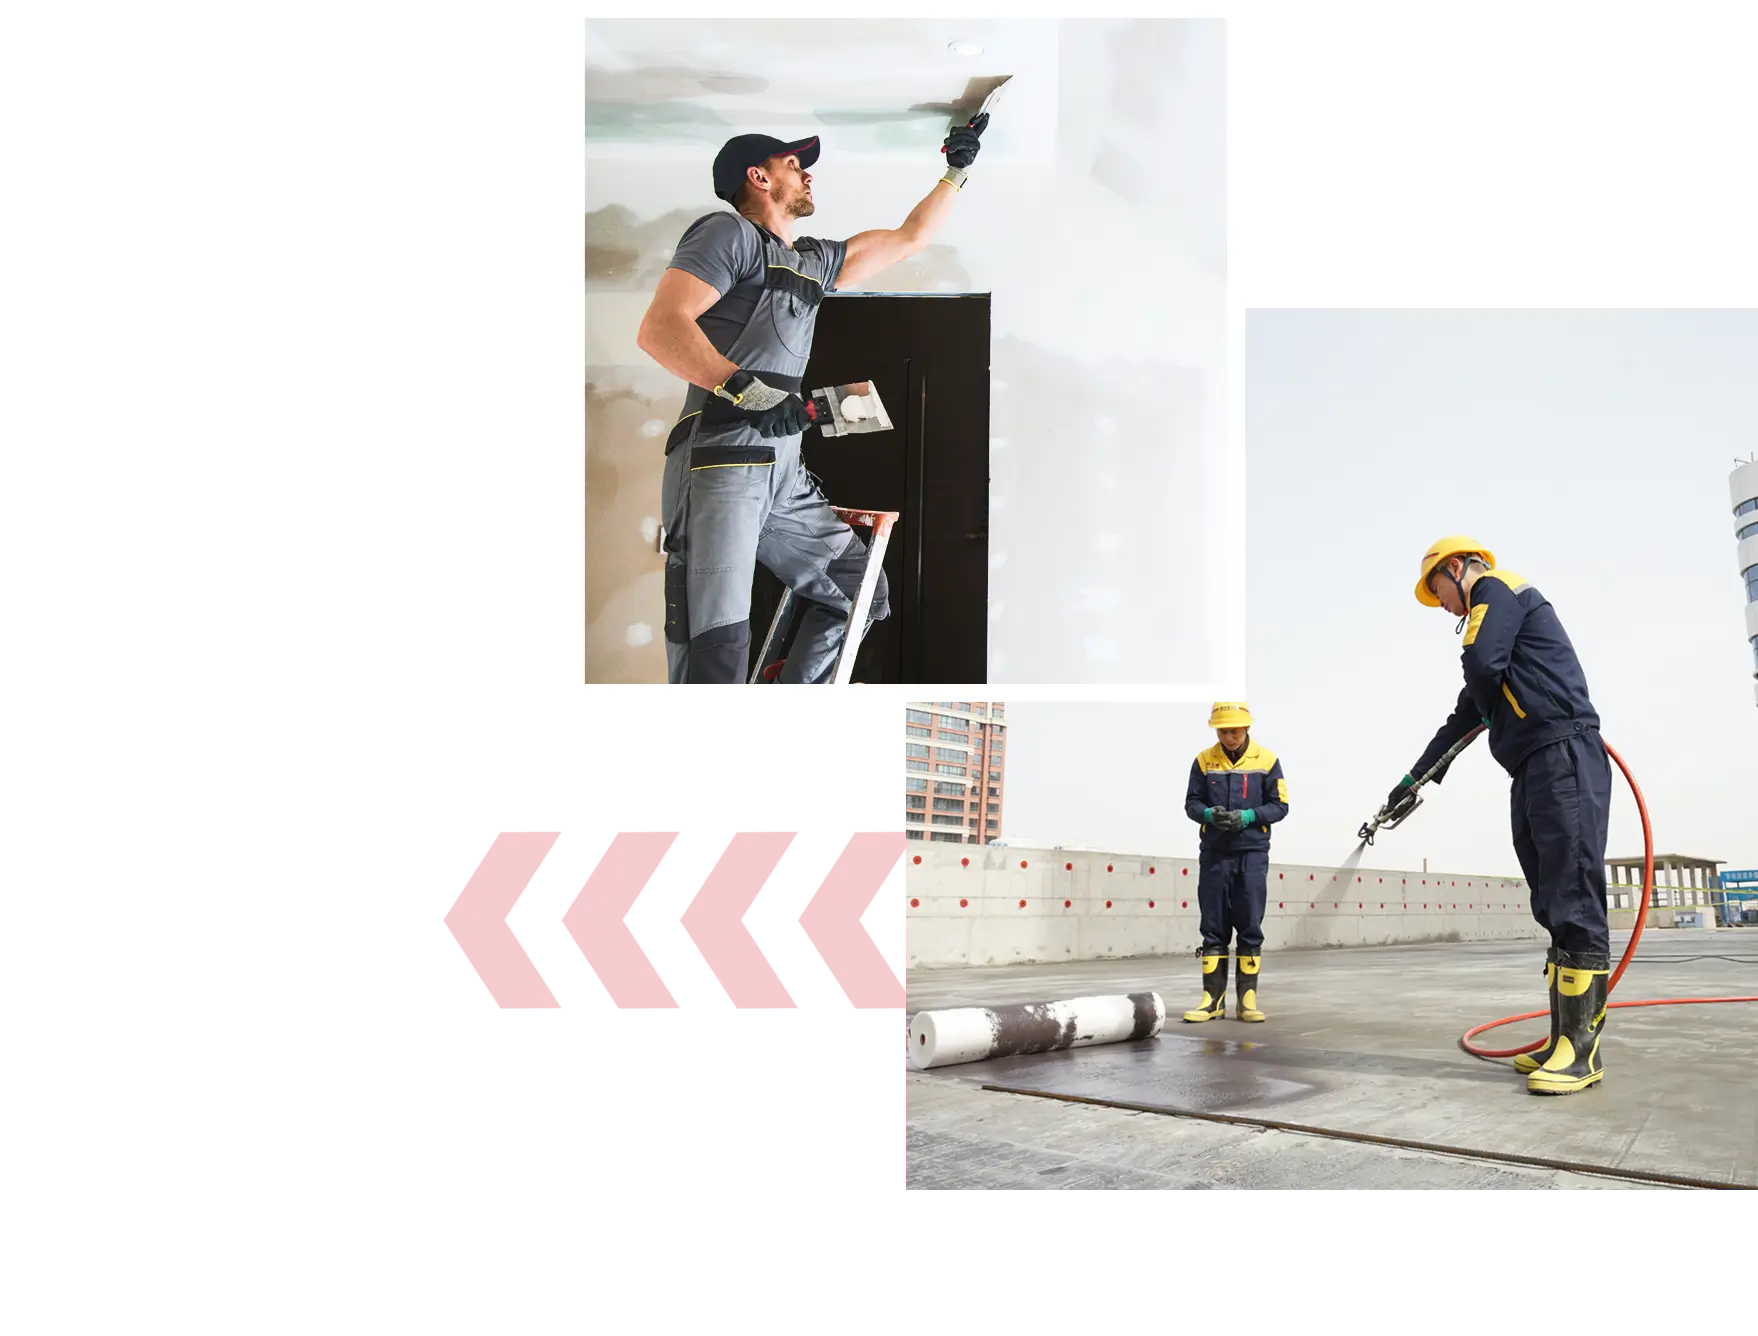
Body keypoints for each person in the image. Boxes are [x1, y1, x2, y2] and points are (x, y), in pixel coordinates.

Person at [634, 115, 988, 682]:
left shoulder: (811, 261)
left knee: (859, 591)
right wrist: (749, 393)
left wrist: (956, 170)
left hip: (782, 472)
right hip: (723, 459)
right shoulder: (728, 236)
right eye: (795, 166)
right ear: (759, 177)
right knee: (715, 642)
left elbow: (909, 238)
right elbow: (661, 329)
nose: (808, 177)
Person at [1390, 536, 1612, 1095]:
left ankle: (1583, 1052)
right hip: (1533, 766)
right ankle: (1563, 1035)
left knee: (1572, 894)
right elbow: (1463, 719)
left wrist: (1473, 637)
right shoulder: (1495, 643)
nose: (1440, 603)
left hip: (1564, 752)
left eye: (1437, 588)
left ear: (1457, 568)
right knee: (1551, 900)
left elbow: (1482, 662)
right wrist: (1414, 780)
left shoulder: (1496, 589)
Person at [1182, 703, 1289, 1023]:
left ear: (1247, 728)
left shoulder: (1267, 761)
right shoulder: (1204, 761)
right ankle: (1212, 1000)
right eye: (1223, 731)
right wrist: (1208, 815)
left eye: (1234, 730)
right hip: (1215, 852)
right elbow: (1191, 803)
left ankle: (1247, 1001)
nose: (1228, 737)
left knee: (1249, 923)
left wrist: (1248, 816)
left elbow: (1280, 806)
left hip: (1252, 853)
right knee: (1213, 926)